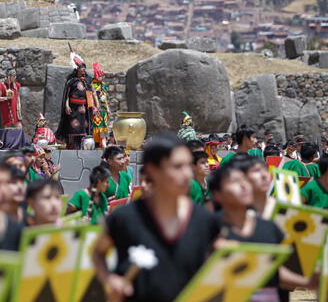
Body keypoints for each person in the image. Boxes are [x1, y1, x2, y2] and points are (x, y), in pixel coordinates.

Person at [92, 134, 221, 302]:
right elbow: (98, 253)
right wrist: (110, 279)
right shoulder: (124, 218)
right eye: (177, 167)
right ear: (153, 170)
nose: (187, 174)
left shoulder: (204, 220)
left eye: (188, 166)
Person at [211, 159, 318, 300]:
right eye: (255, 171)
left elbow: (277, 271)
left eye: (265, 170)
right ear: (217, 194)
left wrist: (309, 282)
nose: (244, 186)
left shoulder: (269, 227)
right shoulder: (210, 228)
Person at [56, 52, 96, 150]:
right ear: (77, 69)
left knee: (84, 126)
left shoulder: (87, 81)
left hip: (84, 109)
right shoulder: (72, 81)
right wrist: (67, 106)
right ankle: (72, 146)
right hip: (73, 108)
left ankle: (83, 145)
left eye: (84, 68)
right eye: (82, 68)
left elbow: (91, 94)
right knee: (73, 127)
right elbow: (67, 95)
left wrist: (94, 106)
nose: (83, 70)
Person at [91, 62, 110, 148]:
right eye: (100, 76)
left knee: (103, 126)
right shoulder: (92, 84)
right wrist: (95, 107)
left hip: (104, 109)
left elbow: (105, 98)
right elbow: (92, 96)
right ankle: (97, 142)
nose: (102, 78)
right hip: (96, 109)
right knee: (97, 126)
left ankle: (103, 141)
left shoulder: (104, 85)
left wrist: (108, 108)